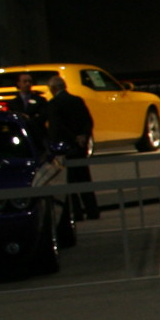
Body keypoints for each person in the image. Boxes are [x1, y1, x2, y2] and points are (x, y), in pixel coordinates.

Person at [42, 75, 99, 220]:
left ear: (53, 89)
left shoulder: (53, 104)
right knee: (85, 179)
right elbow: (88, 121)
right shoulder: (77, 100)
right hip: (80, 147)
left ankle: (77, 212)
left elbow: (57, 127)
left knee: (70, 182)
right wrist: (83, 137)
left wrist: (72, 138)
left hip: (66, 148)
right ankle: (92, 210)